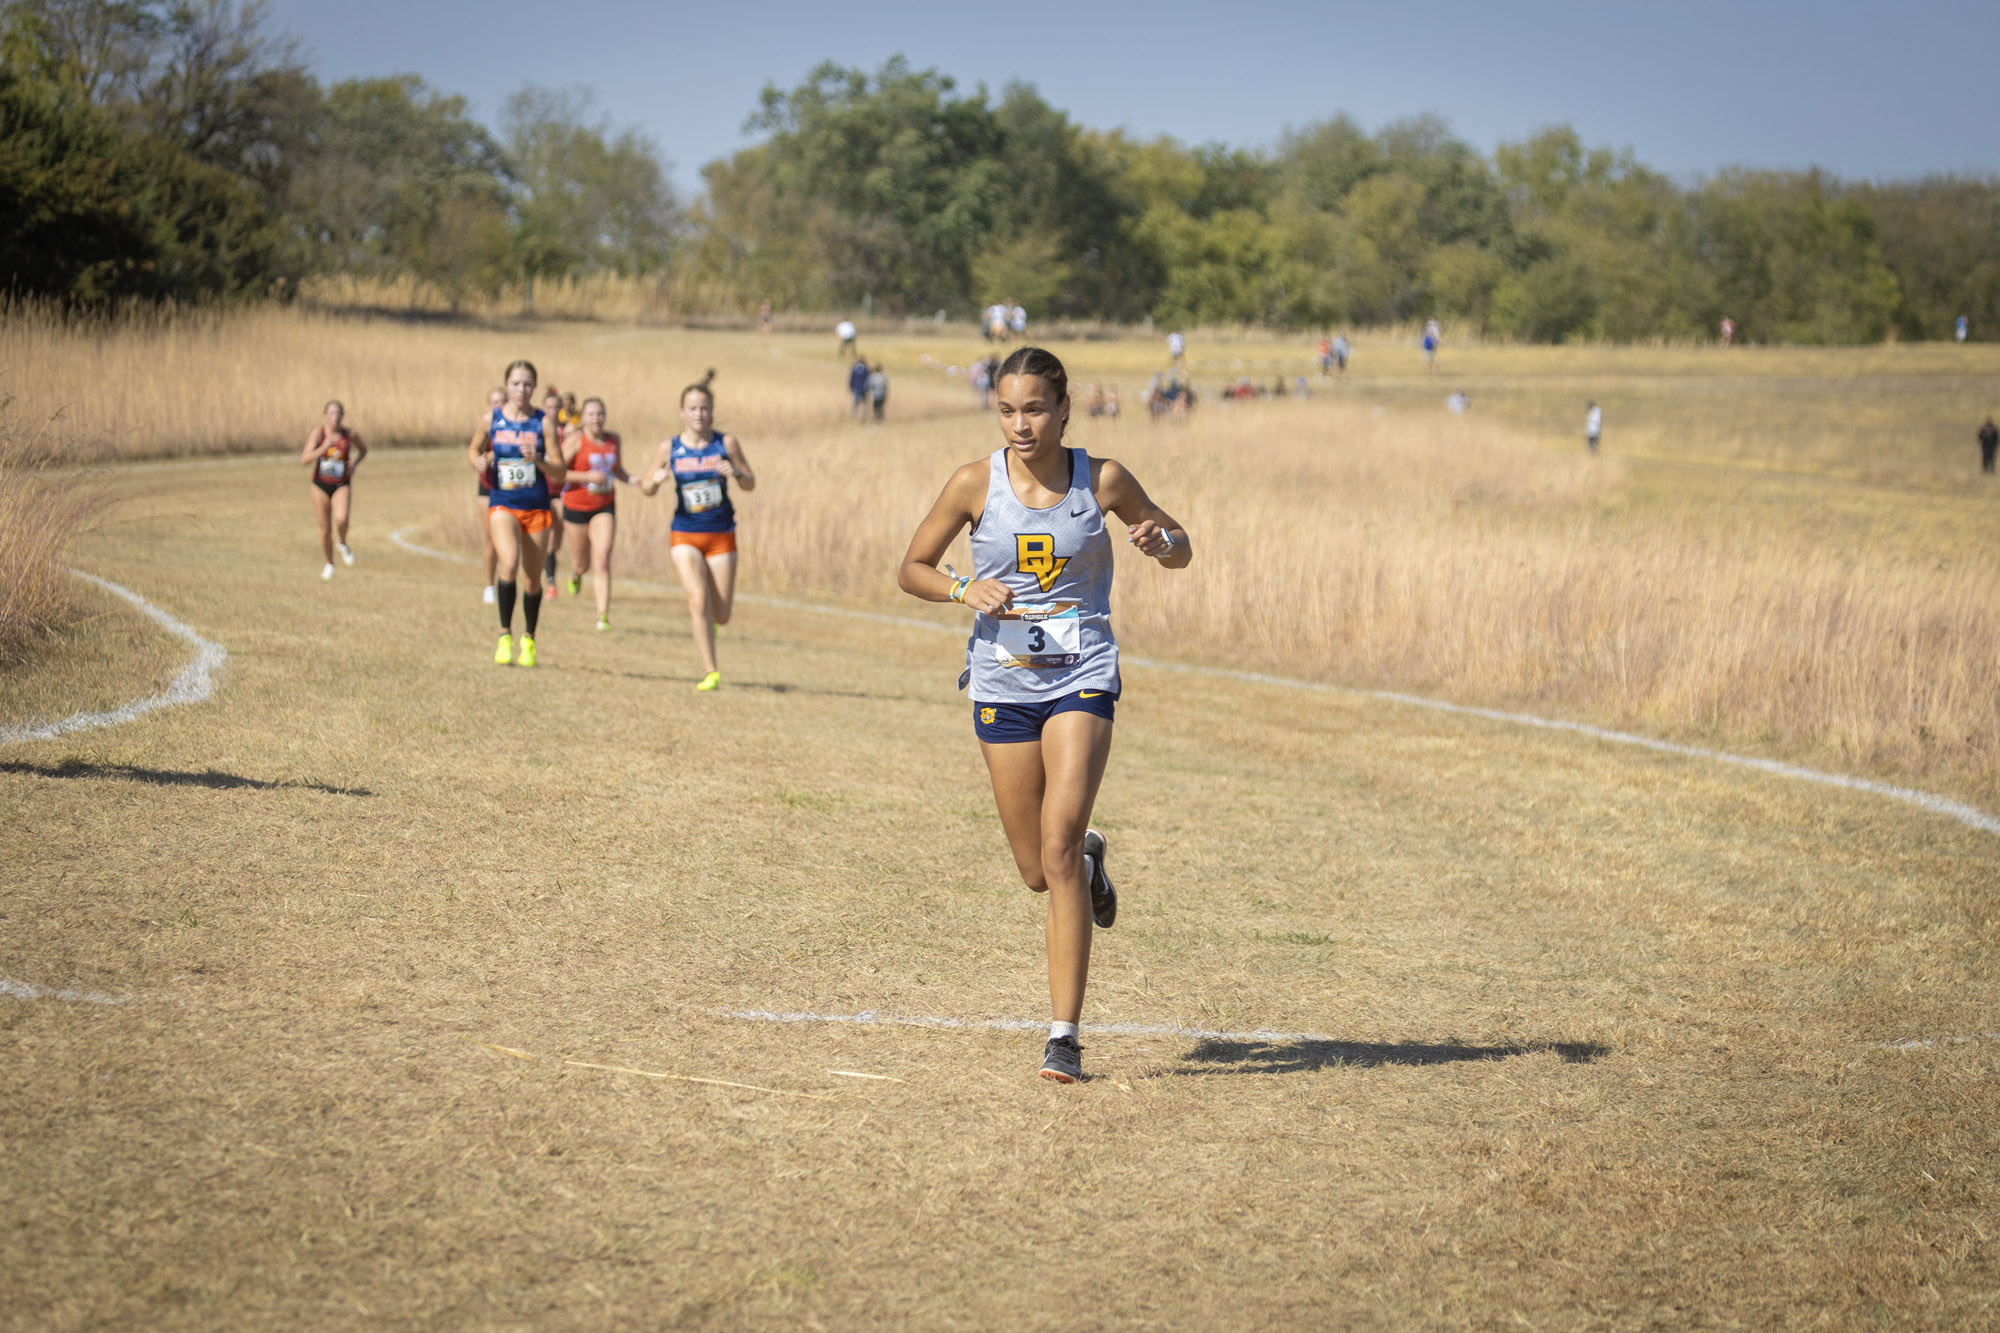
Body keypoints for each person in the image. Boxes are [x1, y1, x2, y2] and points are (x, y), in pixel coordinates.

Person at [896, 346, 1192, 1084]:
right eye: (1007, 409)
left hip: (1082, 673)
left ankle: (1064, 1035)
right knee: (1038, 869)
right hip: (1002, 682)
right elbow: (912, 568)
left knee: (1055, 843)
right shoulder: (974, 482)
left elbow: (1179, 547)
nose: (1020, 423)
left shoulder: (1105, 478)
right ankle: (1089, 859)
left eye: (1034, 408)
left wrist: (1163, 542)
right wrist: (964, 588)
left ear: (1064, 409)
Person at [638, 375, 756, 691]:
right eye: (692, 408)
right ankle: (710, 671)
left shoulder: (725, 443)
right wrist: (656, 481)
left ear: (712, 410)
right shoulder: (670, 447)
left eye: (704, 408)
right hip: (685, 534)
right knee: (698, 600)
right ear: (682, 412)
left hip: (721, 535)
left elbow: (750, 483)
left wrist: (737, 473)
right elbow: (647, 487)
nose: (698, 414)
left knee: (722, 614)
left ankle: (710, 628)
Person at [470, 359, 563, 667]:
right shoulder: (491, 419)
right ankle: (504, 635)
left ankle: (529, 639)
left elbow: (560, 471)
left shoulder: (543, 423)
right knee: (508, 563)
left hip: (536, 508)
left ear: (534, 387)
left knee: (532, 580)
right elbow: (473, 450)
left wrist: (538, 459)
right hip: (503, 504)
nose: (521, 389)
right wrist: (478, 462)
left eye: (527, 384)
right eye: (515, 383)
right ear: (506, 384)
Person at [559, 396, 631, 630]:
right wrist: (586, 477)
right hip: (576, 507)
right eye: (591, 414)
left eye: (600, 414)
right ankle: (576, 574)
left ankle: (603, 616)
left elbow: (617, 469)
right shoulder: (575, 441)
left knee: (602, 559)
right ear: (584, 417)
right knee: (583, 563)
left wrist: (632, 479)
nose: (596, 419)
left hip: (604, 505)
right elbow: (556, 473)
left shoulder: (613, 440)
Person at [301, 399, 366, 581]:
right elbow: (304, 460)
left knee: (342, 519)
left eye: (338, 413)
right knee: (325, 529)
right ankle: (329, 563)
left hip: (341, 483)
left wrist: (354, 465)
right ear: (325, 416)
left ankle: (342, 541)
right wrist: (323, 448)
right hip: (320, 485)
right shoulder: (319, 433)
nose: (335, 417)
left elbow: (364, 450)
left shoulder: (349, 434)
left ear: (343, 416)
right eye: (331, 413)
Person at [479, 387, 504, 603]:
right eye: (495, 402)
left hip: (511, 490)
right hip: (488, 488)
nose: (499, 406)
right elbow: (473, 454)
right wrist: (481, 460)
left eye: (502, 402)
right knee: (491, 540)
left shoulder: (518, 425)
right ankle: (489, 585)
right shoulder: (486, 426)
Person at [848, 355, 871, 420]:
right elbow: (869, 379)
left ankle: (855, 417)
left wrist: (851, 387)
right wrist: (868, 388)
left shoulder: (854, 369)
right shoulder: (866, 369)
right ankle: (864, 417)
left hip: (856, 389)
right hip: (864, 389)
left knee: (856, 405)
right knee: (865, 405)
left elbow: (851, 379)